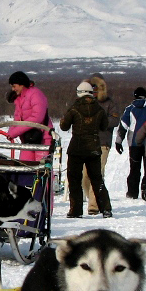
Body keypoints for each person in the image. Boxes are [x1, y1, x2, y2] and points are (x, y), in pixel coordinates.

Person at [59, 81, 113, 218]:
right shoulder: (99, 109)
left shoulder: (74, 108)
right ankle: (106, 208)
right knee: (97, 179)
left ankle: (76, 210)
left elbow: (64, 127)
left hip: (76, 148)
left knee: (74, 179)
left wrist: (62, 121)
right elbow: (104, 126)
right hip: (94, 148)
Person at [81, 73, 118, 214]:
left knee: (96, 173)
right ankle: (91, 196)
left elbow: (115, 120)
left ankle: (93, 205)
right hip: (86, 142)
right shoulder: (84, 104)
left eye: (96, 88)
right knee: (85, 175)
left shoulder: (109, 103)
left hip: (102, 142)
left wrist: (99, 122)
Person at [114, 86, 146, 199]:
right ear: (145, 95)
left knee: (134, 169)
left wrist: (118, 142)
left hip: (134, 143)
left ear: (135, 95)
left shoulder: (130, 108)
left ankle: (132, 193)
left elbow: (123, 126)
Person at [5, 70, 53, 162]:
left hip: (42, 138)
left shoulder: (35, 94)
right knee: (25, 166)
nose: (13, 89)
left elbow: (37, 117)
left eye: (14, 86)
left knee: (40, 170)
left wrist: (15, 132)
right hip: (27, 139)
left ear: (21, 84)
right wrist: (11, 132)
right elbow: (17, 118)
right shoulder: (19, 99)